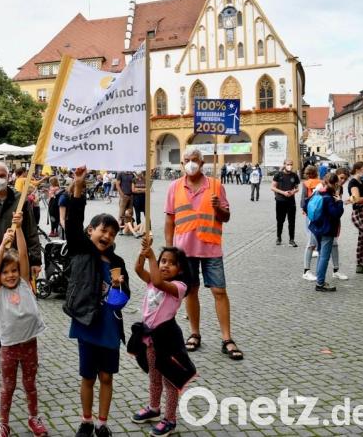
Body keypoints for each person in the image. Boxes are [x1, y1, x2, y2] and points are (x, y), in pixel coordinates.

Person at [64, 166, 128, 437]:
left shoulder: (117, 262)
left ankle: (102, 422)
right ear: (90, 231)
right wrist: (79, 186)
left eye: (112, 234)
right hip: (87, 323)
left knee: (106, 377)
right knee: (88, 376)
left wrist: (118, 288)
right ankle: (86, 420)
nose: (107, 237)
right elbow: (72, 222)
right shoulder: (81, 249)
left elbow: (124, 299)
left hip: (109, 328)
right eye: (103, 231)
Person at [165, 148, 243, 361]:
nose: (190, 163)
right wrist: (169, 249)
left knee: (219, 291)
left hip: (210, 247)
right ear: (183, 163)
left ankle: (227, 338)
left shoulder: (216, 186)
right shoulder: (174, 187)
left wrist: (219, 208)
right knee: (191, 291)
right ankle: (194, 333)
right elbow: (170, 220)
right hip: (184, 249)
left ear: (202, 162)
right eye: (186, 160)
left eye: (194, 160)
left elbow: (226, 217)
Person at [0, 161, 42, 362]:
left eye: (1, 175)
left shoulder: (21, 201)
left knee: (20, 302)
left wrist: (35, 260)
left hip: (17, 261)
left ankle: (18, 341)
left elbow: (31, 231)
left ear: (9, 175)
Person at [0, 213, 48, 437]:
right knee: (8, 387)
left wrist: (20, 229)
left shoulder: (24, 283)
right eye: (6, 272)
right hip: (9, 348)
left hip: (29, 344)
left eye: (13, 270)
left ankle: (34, 417)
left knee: (30, 384)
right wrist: (3, 246)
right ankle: (3, 423)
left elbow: (23, 254)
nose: (11, 275)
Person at [131, 241, 193, 437]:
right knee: (154, 376)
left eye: (171, 263)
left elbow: (159, 283)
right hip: (150, 339)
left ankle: (170, 419)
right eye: (162, 261)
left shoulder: (178, 287)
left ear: (180, 268)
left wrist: (152, 258)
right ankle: (154, 408)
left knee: (170, 381)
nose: (165, 265)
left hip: (168, 341)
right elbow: (138, 269)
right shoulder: (152, 280)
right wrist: (143, 253)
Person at [308, 173, 345, 292]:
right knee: (324, 257)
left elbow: (305, 205)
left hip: (316, 228)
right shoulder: (329, 197)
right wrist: (339, 202)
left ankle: (320, 279)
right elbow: (336, 213)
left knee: (320, 254)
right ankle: (320, 283)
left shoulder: (318, 192)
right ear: (334, 184)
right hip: (327, 229)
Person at [300, 166, 323, 281]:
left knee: (309, 230)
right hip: (319, 209)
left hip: (310, 209)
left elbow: (304, 198)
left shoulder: (306, 183)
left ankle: (307, 269)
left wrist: (303, 208)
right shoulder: (321, 183)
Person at [271, 159, 300, 246]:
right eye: (288, 164)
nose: (289, 166)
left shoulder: (294, 175)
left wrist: (293, 192)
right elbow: (272, 187)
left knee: (292, 221)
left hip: (291, 201)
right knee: (280, 220)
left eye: (291, 164)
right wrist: (283, 192)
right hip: (280, 200)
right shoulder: (278, 175)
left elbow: (297, 188)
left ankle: (291, 239)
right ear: (284, 164)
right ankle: (278, 237)